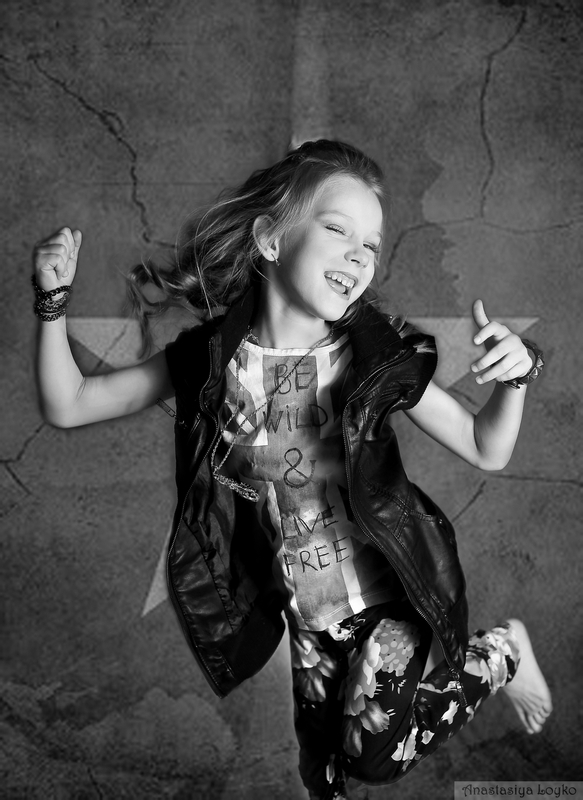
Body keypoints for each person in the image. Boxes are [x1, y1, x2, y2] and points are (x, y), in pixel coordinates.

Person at [33, 140, 551, 800]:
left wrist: (517, 377)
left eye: (372, 244)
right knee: (324, 778)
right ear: (271, 240)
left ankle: (500, 654)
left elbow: (485, 446)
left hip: (389, 601)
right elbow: (71, 402)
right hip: (309, 616)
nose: (360, 255)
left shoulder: (374, 357)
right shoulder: (208, 363)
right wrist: (51, 303)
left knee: (372, 756)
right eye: (338, 230)